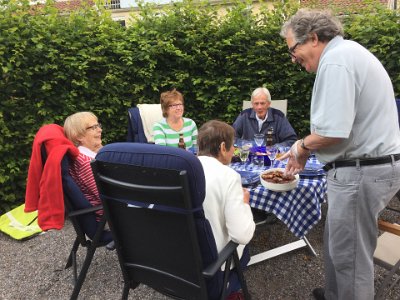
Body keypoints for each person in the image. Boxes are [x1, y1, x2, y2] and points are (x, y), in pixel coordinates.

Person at [279, 9, 400, 300]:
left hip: (360, 171)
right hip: (364, 168)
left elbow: (333, 131)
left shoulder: (335, 61)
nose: (293, 58)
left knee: (351, 259)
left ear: (313, 38)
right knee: (336, 242)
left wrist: (301, 147)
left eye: (293, 50)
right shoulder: (347, 54)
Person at [197, 120, 256, 299]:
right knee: (244, 248)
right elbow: (242, 235)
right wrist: (245, 203)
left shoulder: (179, 170)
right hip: (211, 271)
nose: (233, 151)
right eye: (233, 147)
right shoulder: (228, 176)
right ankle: (230, 290)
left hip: (175, 267)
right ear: (223, 147)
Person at [63, 112, 103, 220]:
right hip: (106, 217)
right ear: (79, 136)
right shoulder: (86, 163)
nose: (100, 130)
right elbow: (104, 194)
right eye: (93, 127)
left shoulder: (88, 154)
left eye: (98, 125)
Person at [232, 87, 297, 147]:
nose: (259, 107)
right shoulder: (244, 115)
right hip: (250, 155)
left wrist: (273, 148)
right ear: (252, 104)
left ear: (269, 103)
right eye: (256, 103)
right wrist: (249, 144)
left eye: (262, 103)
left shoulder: (279, 116)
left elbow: (291, 139)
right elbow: (231, 137)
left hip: (271, 156)